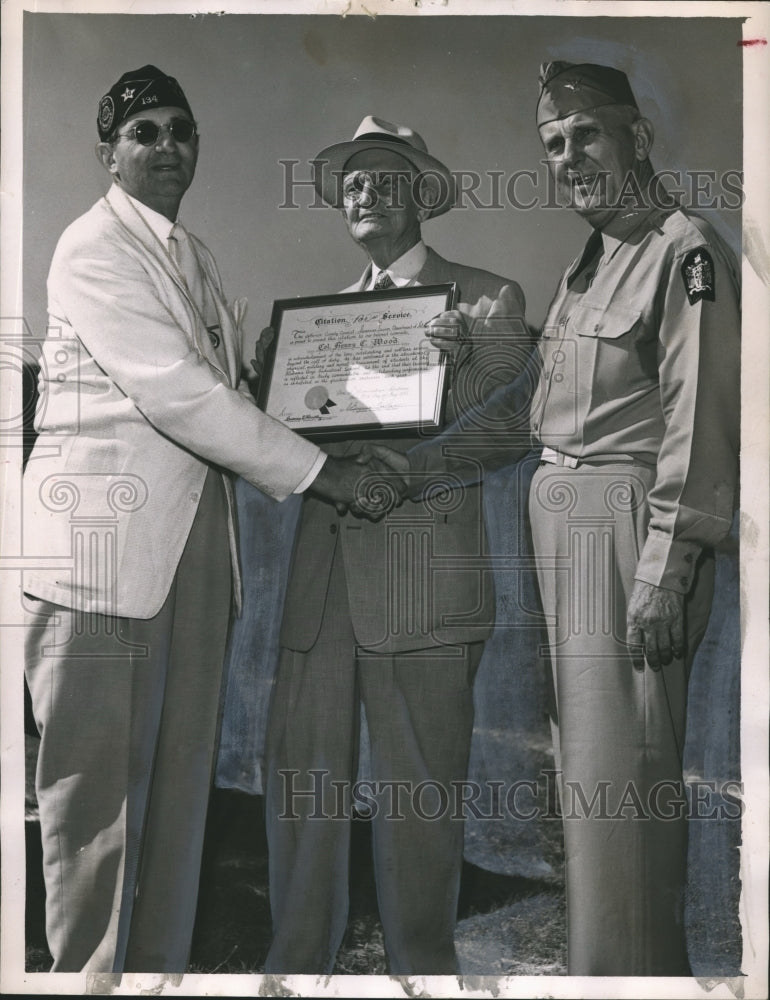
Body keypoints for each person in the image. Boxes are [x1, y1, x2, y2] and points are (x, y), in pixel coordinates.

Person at [370, 62, 741, 976]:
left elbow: (701, 421)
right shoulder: (590, 263)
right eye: (551, 145)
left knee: (624, 780)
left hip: (622, 535)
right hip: (568, 532)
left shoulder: (682, 249)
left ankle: (628, 977)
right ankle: (603, 969)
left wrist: (668, 566)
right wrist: (415, 468)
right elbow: (527, 415)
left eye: (584, 136)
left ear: (636, 137)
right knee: (591, 783)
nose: (567, 157)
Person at [22, 65, 385, 974]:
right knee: (97, 806)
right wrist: (322, 472)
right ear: (108, 151)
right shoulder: (91, 245)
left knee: (179, 802)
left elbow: (225, 395)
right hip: (98, 558)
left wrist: (291, 378)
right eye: (144, 131)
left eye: (182, 130)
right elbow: (176, 395)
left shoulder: (197, 258)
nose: (167, 147)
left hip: (193, 556)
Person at [262, 116, 532, 975]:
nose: (366, 192)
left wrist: (436, 411)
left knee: (421, 793)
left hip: (423, 580)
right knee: (304, 788)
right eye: (353, 181)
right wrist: (267, 380)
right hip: (321, 581)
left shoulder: (488, 298)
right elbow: (280, 441)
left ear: (423, 193)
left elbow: (509, 426)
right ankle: (296, 966)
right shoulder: (317, 322)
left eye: (386, 177)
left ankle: (424, 969)